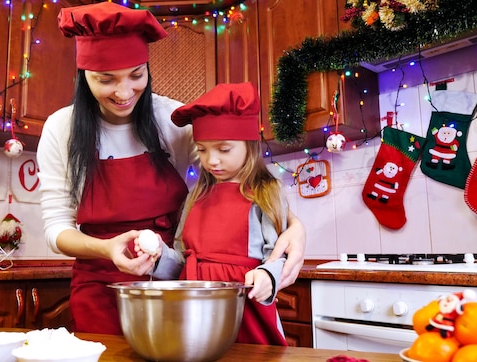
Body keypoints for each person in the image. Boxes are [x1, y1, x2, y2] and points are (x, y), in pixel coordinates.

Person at [36, 2, 306, 335]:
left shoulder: (173, 120)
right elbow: (56, 228)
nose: (124, 92)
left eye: (136, 75)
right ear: (84, 77)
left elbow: (239, 177)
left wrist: (293, 225)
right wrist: (106, 248)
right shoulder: (60, 129)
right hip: (99, 286)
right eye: (106, 80)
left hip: (173, 283)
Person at [147, 82, 290, 345]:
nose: (211, 160)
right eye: (202, 150)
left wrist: (268, 276)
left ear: (249, 145)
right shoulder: (195, 195)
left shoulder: (266, 192)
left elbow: (279, 255)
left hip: (244, 307)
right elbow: (181, 260)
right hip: (193, 309)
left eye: (224, 150)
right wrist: (157, 257)